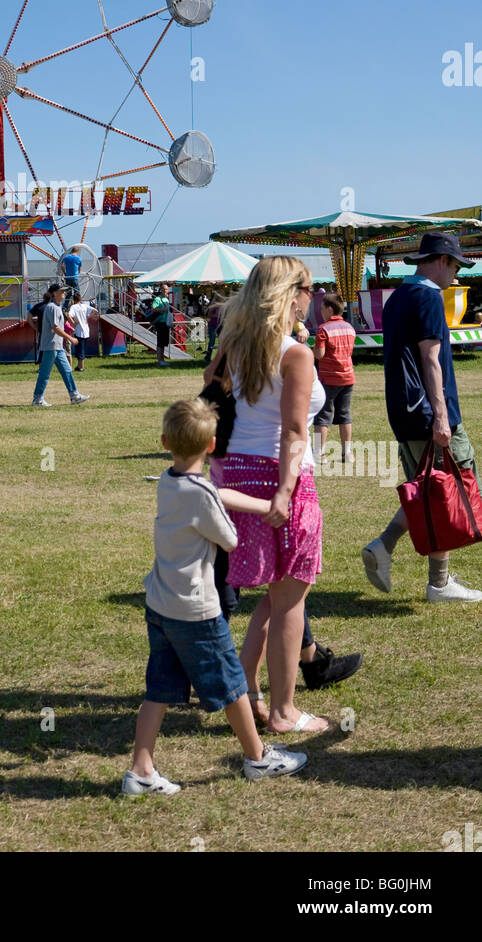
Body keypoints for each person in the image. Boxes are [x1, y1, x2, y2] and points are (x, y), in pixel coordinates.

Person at [123, 397, 307, 793]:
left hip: (160, 604)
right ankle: (258, 759)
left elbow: (204, 504)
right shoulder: (203, 494)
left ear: (164, 441)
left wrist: (251, 503)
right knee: (232, 685)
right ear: (211, 446)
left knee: (159, 689)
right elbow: (229, 538)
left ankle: (140, 769)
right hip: (196, 611)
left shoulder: (167, 482)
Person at [211, 256, 331, 734]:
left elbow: (212, 415)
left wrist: (219, 477)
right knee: (291, 597)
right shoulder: (294, 354)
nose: (312, 297)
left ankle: (246, 688)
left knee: (275, 592)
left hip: (238, 476)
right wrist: (284, 491)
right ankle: (285, 712)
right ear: (291, 292)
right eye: (309, 288)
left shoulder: (229, 350)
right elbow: (296, 430)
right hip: (282, 479)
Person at [362, 231, 482, 603]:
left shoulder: (399, 296)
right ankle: (434, 581)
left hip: (406, 409)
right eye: (456, 267)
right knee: (448, 486)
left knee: (432, 487)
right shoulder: (429, 296)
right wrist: (442, 416)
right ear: (443, 261)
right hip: (428, 412)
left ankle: (404, 560)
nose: (456, 276)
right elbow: (430, 359)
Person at [313, 294, 356, 466]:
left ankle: (320, 454)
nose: (320, 312)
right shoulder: (349, 327)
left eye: (322, 308)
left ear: (330, 309)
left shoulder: (323, 329)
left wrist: (309, 351)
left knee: (322, 417)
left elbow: (320, 354)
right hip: (347, 377)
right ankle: (347, 453)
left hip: (329, 379)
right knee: (344, 415)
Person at [31, 284, 90, 407]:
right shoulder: (52, 307)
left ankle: (74, 396)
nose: (64, 293)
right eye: (61, 291)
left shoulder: (58, 307)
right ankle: (38, 399)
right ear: (54, 293)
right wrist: (70, 338)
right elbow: (56, 328)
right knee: (45, 374)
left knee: (67, 371)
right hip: (50, 346)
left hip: (57, 346)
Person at [66, 291, 97, 373]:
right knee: (82, 348)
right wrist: (88, 317)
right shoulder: (85, 306)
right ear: (80, 299)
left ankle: (81, 367)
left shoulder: (74, 307)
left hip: (79, 329)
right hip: (86, 330)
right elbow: (95, 310)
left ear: (73, 300)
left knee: (80, 349)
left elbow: (68, 315)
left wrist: (73, 323)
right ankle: (80, 366)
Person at [150, 283, 172, 367]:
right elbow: (153, 308)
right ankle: (160, 360)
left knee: (164, 342)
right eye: (164, 289)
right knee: (160, 342)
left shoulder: (166, 299)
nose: (166, 291)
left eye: (167, 289)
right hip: (160, 323)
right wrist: (161, 310)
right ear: (161, 290)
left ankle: (162, 359)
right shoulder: (158, 299)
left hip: (166, 323)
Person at [27, 289, 51, 364]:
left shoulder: (38, 306)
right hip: (53, 331)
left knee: (41, 349)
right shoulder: (53, 307)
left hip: (42, 331)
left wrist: (35, 327)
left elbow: (29, 318)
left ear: (43, 298)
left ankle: (41, 366)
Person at [58, 245, 82, 309]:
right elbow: (79, 269)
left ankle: (65, 307)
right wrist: (78, 273)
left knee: (68, 293)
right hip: (75, 277)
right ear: (77, 251)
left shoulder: (67, 257)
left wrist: (65, 272)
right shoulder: (78, 258)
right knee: (77, 292)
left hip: (68, 277)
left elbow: (62, 265)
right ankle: (77, 305)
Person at [204, 293, 223, 364]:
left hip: (220, 325)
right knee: (212, 341)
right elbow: (209, 314)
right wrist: (217, 315)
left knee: (222, 341)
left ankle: (220, 357)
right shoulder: (213, 305)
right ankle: (208, 357)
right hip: (213, 325)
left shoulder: (222, 305)